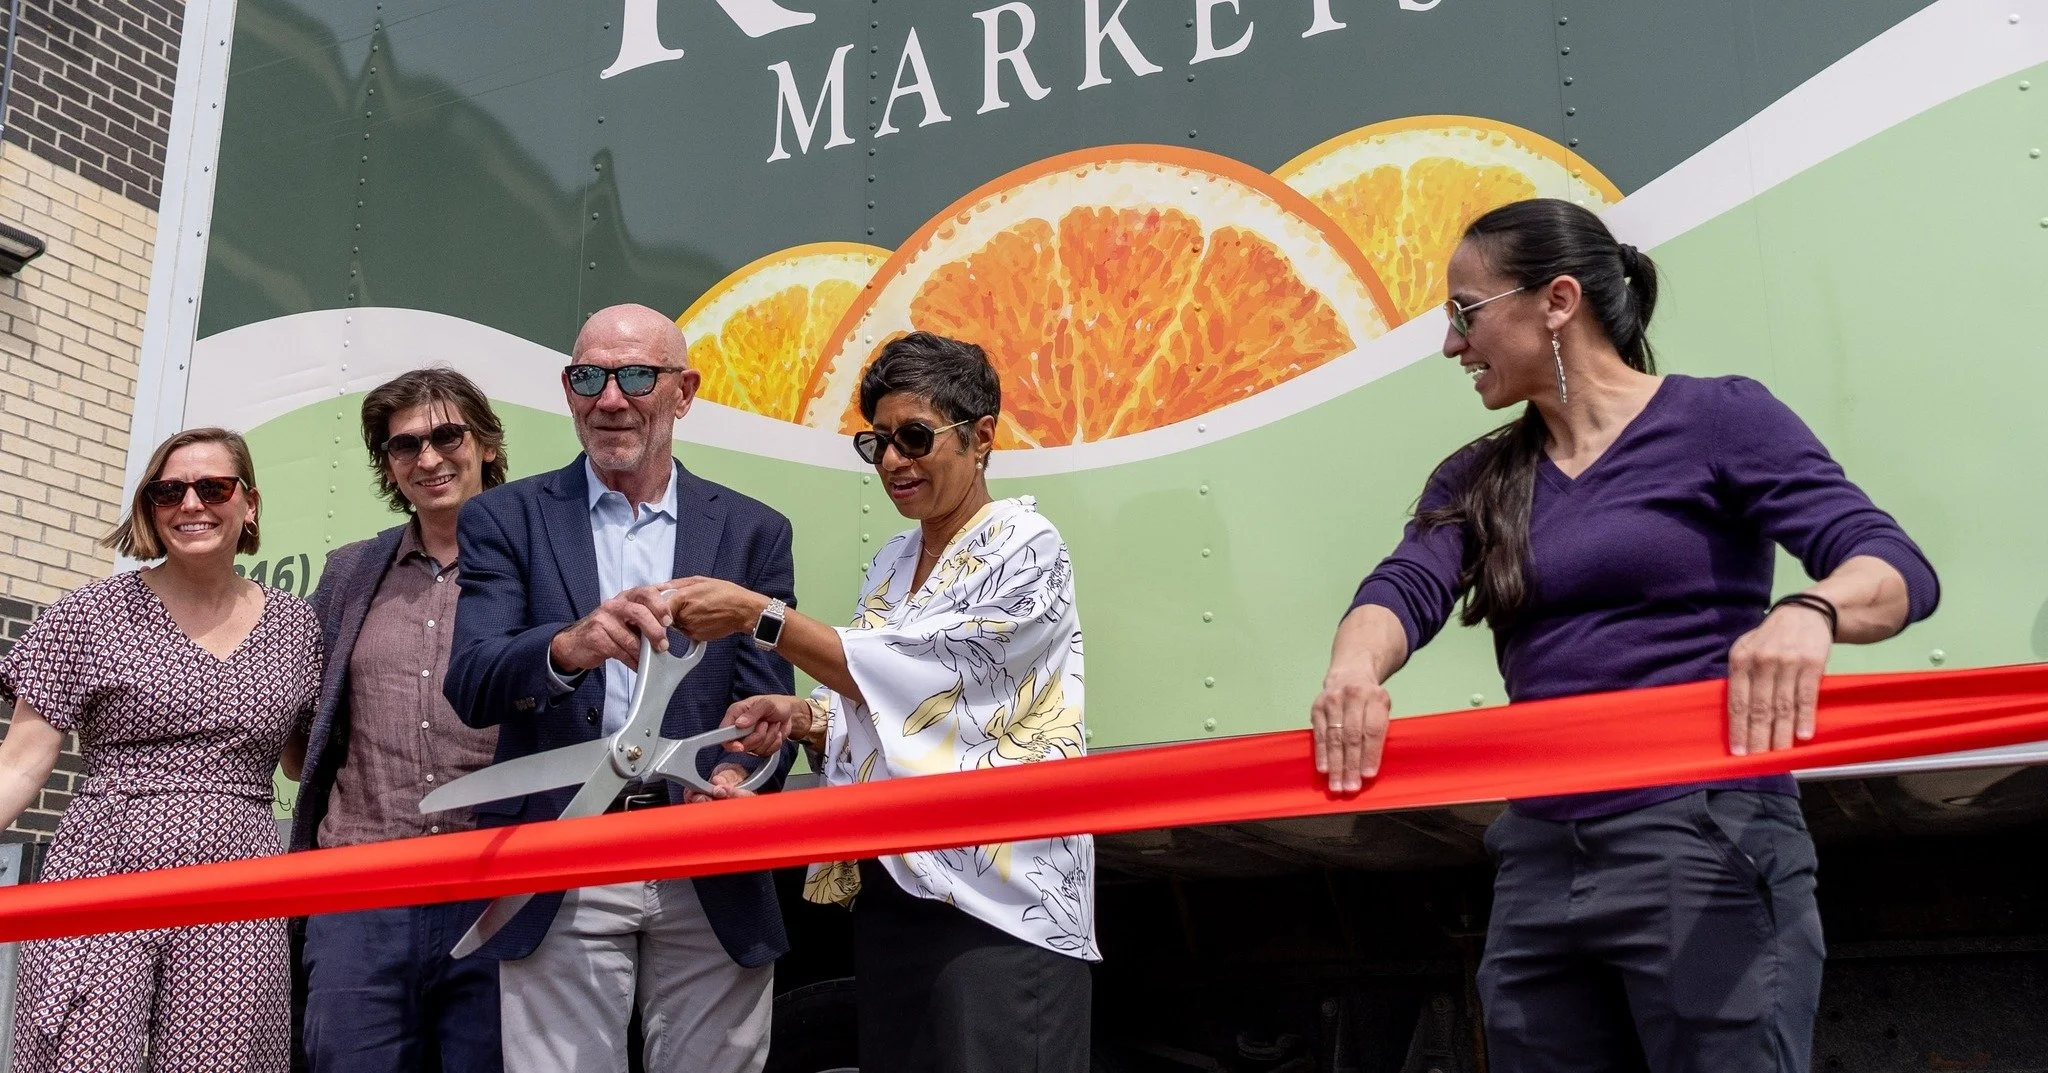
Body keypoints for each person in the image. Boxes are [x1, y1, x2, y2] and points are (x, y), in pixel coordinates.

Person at [1310, 199, 1939, 1072]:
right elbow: (1404, 584)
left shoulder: (1719, 420)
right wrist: (1353, 667)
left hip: (1705, 839)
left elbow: (1893, 564)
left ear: (1557, 300)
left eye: (1465, 313)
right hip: (1538, 860)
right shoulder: (1483, 475)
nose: (1452, 345)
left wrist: (1812, 610)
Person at [671, 330, 1098, 1073]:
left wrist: (756, 615)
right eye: (878, 445)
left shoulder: (1027, 541)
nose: (894, 462)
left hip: (1001, 904)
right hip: (899, 888)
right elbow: (903, 708)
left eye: (914, 437)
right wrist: (805, 716)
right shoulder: (896, 559)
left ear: (982, 437)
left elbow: (929, 676)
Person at [442, 304, 797, 1073]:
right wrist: (569, 647)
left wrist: (732, 774)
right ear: (568, 391)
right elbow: (469, 682)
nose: (610, 398)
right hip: (560, 856)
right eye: (587, 377)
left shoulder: (752, 531)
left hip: (708, 862)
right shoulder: (505, 518)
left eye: (636, 374)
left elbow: (766, 698)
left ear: (684, 390)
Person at [0, 428, 323, 1073]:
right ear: (150, 507)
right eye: (168, 491)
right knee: (85, 1051)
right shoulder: (88, 614)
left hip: (239, 874)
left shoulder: (296, 625)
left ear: (249, 503)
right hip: (106, 860)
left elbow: (302, 761)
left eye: (214, 487)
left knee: (223, 1056)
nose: (191, 503)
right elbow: (19, 762)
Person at [292, 369, 510, 1073]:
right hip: (362, 891)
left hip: (496, 887)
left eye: (447, 435)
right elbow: (307, 729)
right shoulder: (350, 573)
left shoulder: (532, 563)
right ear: (387, 464)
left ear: (485, 443)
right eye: (404, 445)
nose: (428, 458)